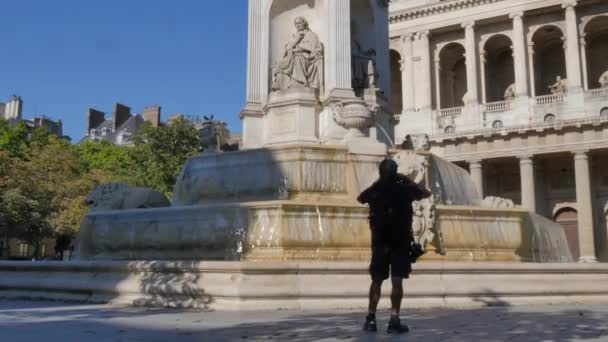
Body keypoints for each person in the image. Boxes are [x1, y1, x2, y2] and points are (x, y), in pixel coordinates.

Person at [357, 158, 431, 334]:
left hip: (380, 242)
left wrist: (379, 182)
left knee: (376, 281)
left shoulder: (376, 189)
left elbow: (360, 198)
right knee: (397, 281)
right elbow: (426, 193)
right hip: (400, 242)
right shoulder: (405, 189)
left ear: (381, 172)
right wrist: (407, 180)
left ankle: (371, 318)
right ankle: (394, 319)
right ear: (396, 172)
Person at [271, 17, 323, 91]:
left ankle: (299, 82)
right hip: (293, 55)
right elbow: (288, 48)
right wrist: (296, 40)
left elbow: (314, 47)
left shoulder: (311, 34)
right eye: (296, 24)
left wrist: (300, 47)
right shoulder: (295, 36)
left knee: (297, 57)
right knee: (281, 63)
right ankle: (280, 83)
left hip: (307, 56)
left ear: (304, 23)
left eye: (299, 23)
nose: (298, 25)